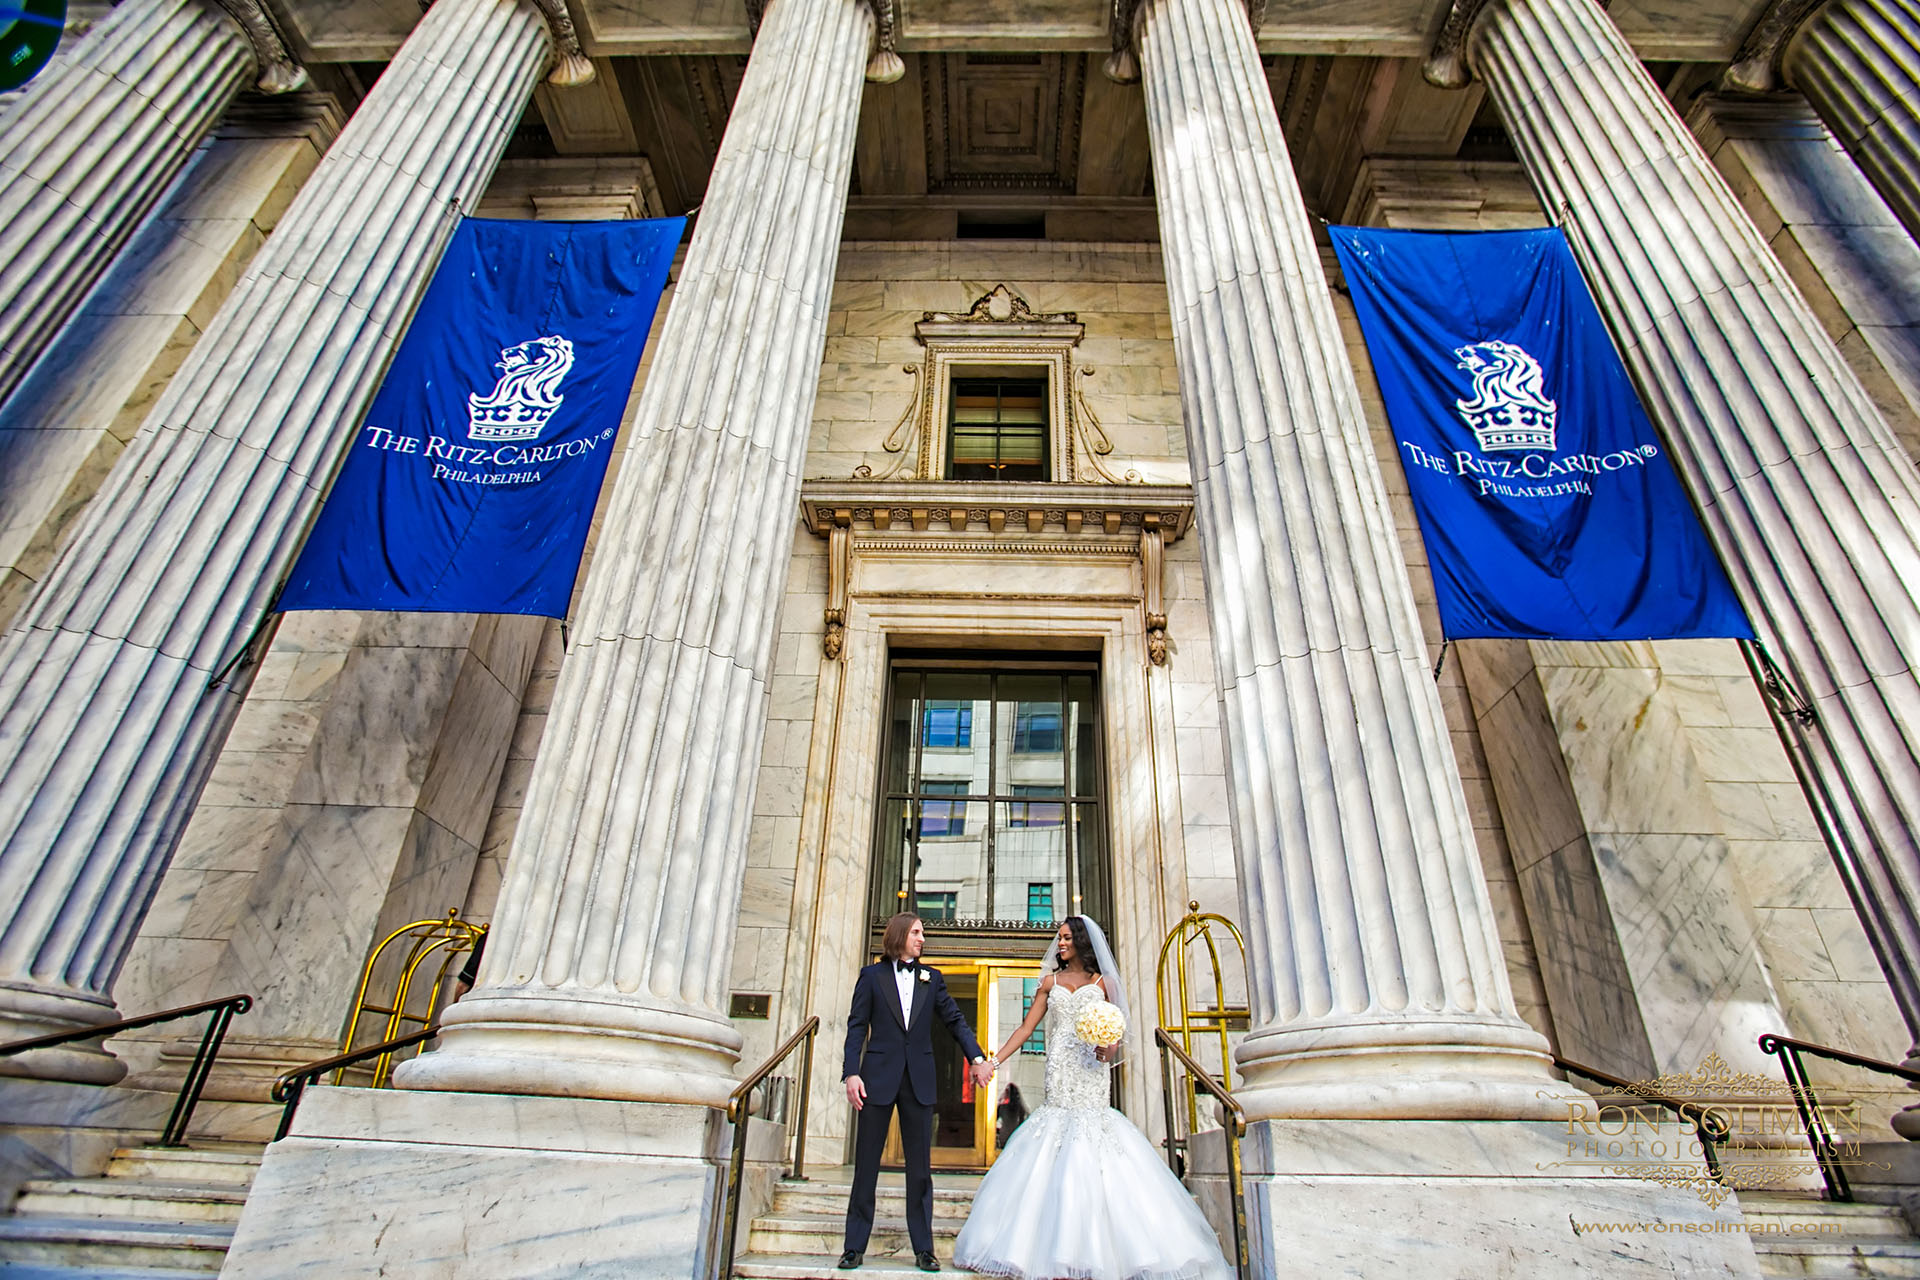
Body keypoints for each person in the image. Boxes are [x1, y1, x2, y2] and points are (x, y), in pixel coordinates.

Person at [954, 915, 1234, 1280]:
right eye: (1060, 938)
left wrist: (1109, 1047)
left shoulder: (1103, 983)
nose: (1061, 943)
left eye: (1067, 937)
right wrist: (993, 1061)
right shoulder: (1049, 982)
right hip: (1059, 1070)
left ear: (1083, 942)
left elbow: (1116, 1029)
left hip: (1090, 1070)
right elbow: (1026, 1028)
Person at [841, 913, 994, 1274]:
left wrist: (976, 1057)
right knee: (865, 1167)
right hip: (876, 1079)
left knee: (920, 1170)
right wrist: (851, 1073)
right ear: (899, 935)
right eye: (916, 932)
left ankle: (924, 1249)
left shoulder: (933, 979)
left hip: (919, 1080)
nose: (922, 938)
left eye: (922, 933)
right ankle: (853, 1246)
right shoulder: (871, 977)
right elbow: (856, 1026)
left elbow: (955, 1020)